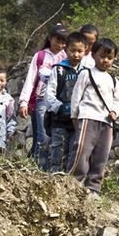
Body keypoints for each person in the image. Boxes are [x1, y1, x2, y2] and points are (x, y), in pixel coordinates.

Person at [68, 38, 119, 194]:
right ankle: (73, 183)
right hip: (88, 117)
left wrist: (115, 112)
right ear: (92, 55)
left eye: (109, 58)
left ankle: (93, 188)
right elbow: (76, 96)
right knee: (81, 152)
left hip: (106, 122)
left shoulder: (114, 81)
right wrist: (74, 116)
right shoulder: (86, 73)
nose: (105, 60)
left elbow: (118, 101)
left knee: (101, 156)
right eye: (102, 56)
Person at [19, 24, 67, 169]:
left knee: (57, 137)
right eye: (57, 40)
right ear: (50, 38)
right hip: (41, 102)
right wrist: (24, 102)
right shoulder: (40, 56)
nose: (60, 45)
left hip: (59, 102)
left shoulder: (66, 56)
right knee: (43, 137)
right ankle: (41, 169)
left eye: (63, 42)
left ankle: (43, 166)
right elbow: (31, 78)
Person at [43, 32, 87, 172]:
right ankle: (55, 182)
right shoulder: (59, 69)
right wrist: (59, 107)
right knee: (58, 151)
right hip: (60, 119)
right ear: (66, 49)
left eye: (79, 51)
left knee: (75, 152)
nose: (76, 55)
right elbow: (49, 93)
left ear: (85, 50)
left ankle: (71, 184)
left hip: (78, 120)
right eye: (72, 50)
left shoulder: (86, 72)